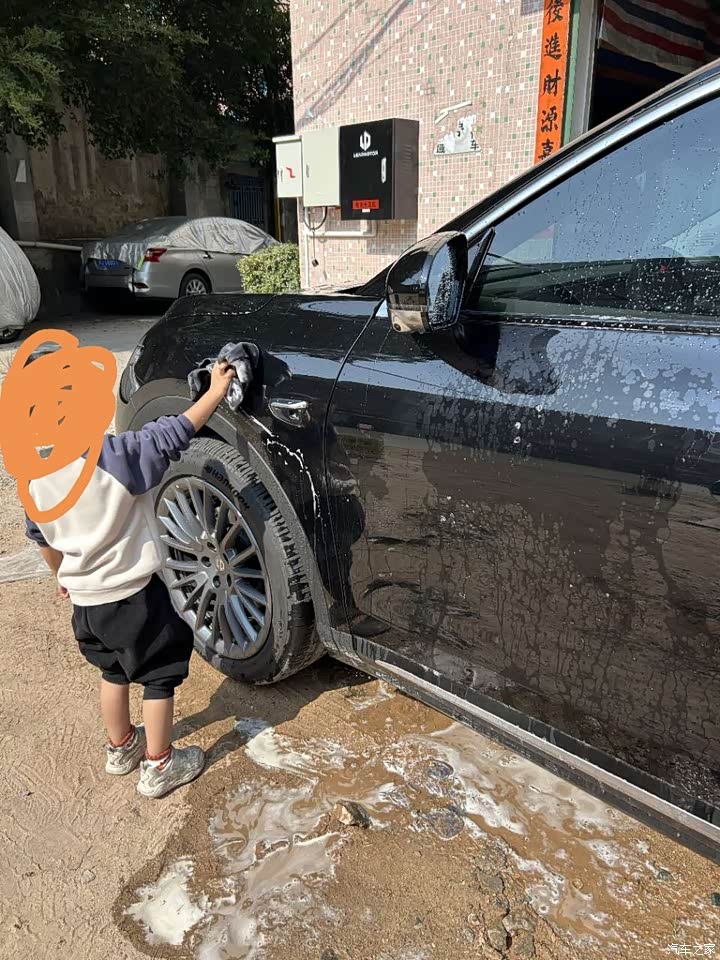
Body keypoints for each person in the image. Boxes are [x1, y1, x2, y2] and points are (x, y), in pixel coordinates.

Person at [24, 359, 236, 798]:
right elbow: (176, 432)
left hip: (87, 603)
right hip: (135, 596)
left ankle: (120, 748)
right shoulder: (117, 457)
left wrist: (61, 575)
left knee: (113, 670)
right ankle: (159, 764)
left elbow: (42, 540)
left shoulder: (35, 481)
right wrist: (215, 392)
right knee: (158, 676)